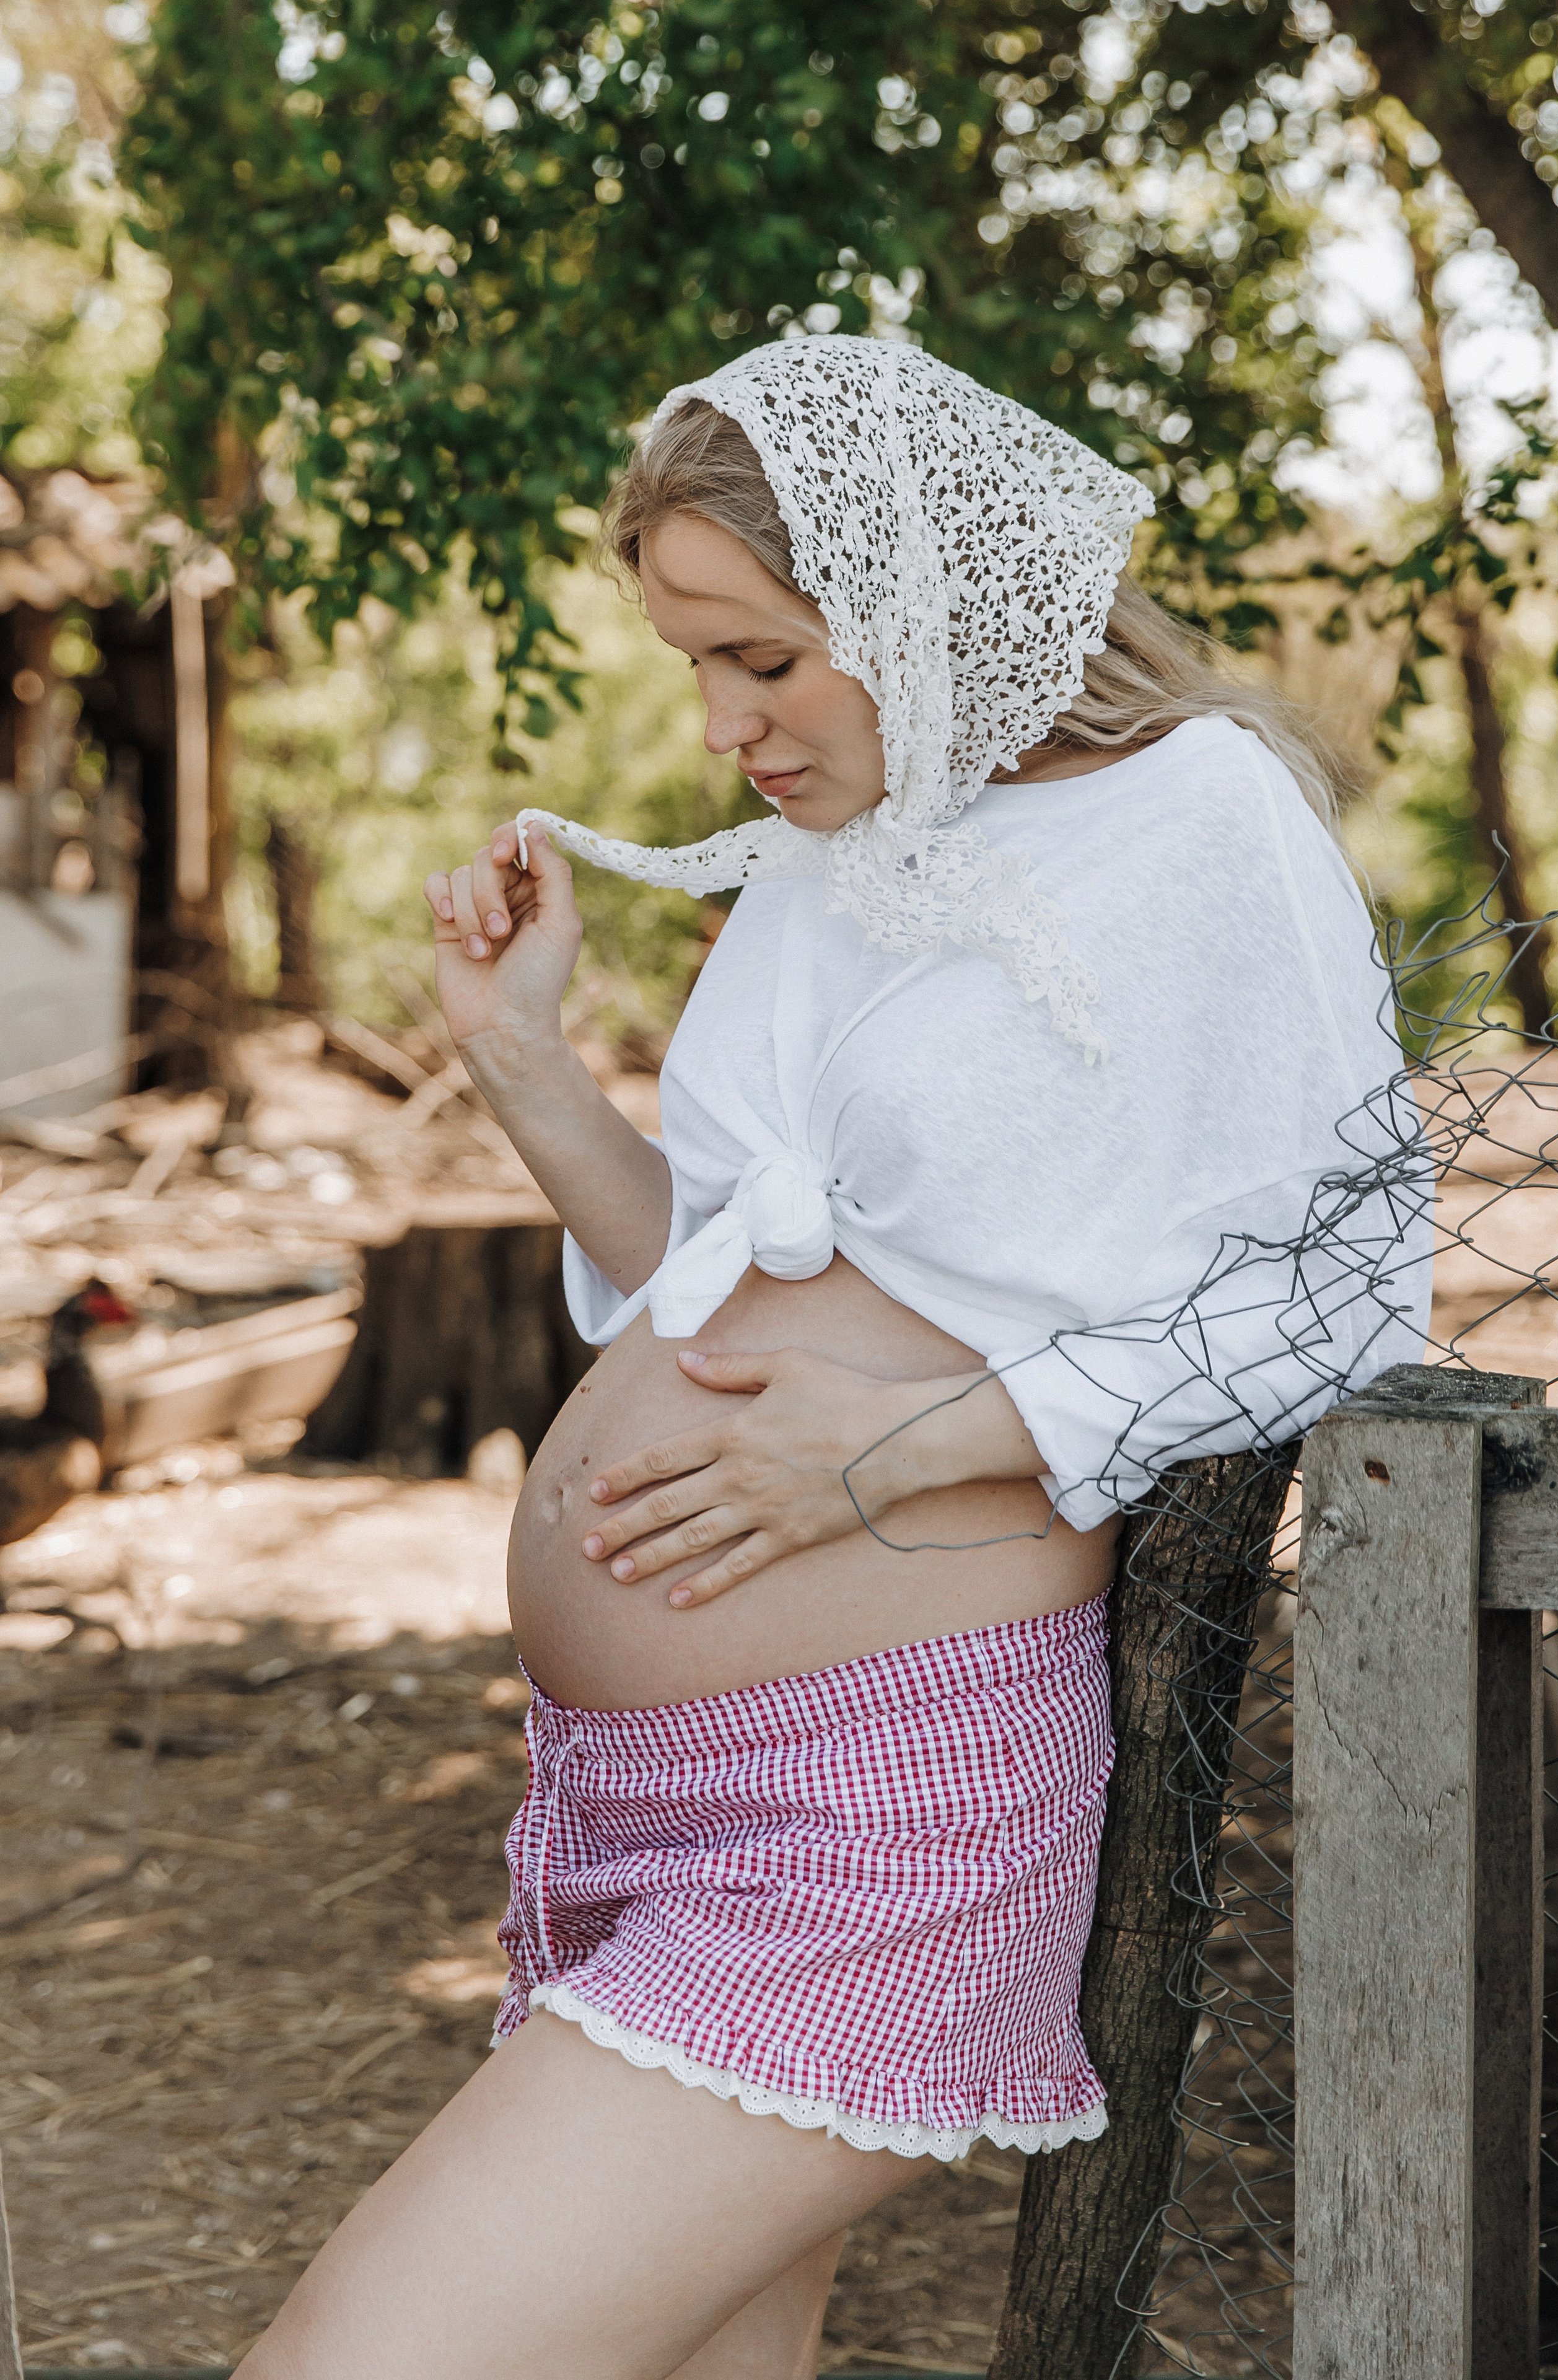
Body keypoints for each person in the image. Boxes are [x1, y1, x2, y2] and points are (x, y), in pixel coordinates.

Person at [235, 337, 1428, 2380]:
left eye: (765, 660)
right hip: (629, 1785)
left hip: (877, 1807)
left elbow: (1338, 1288)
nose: (722, 726)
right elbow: (701, 1276)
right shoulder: (832, 861)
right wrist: (519, 1051)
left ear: (920, 604)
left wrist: (891, 1459)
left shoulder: (1199, 822)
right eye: (697, 664)